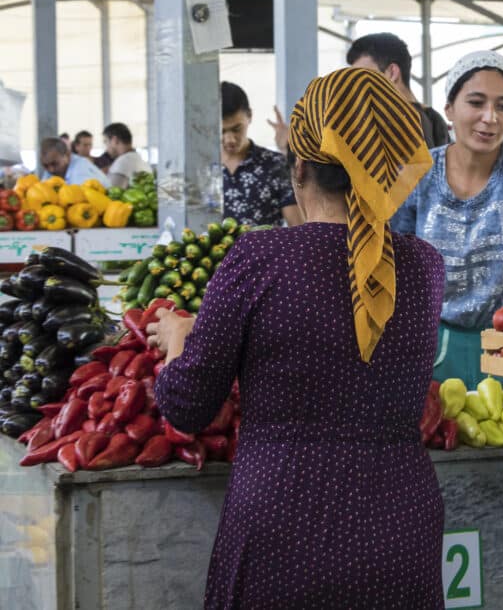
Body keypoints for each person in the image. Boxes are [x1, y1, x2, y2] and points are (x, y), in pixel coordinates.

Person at [149, 67, 445, 609]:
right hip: (402, 528)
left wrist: (179, 338)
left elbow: (187, 405)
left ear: (300, 164)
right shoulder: (425, 267)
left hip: (284, 525)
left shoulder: (258, 259)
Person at [392, 50, 503, 387]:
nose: (490, 117)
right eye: (476, 102)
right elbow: (399, 271)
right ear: (450, 110)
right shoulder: (417, 171)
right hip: (428, 343)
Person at [221, 82, 303, 228]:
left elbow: (298, 227)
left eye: (236, 129)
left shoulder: (275, 164)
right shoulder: (199, 169)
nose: (230, 139)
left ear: (250, 116)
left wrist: (289, 150)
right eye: (221, 131)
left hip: (266, 251)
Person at [347, 33, 450, 149]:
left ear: (392, 72)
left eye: (363, 76)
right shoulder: (435, 119)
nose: (357, 85)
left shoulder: (389, 120)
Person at [38, 137, 110, 187]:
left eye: (55, 164)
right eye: (45, 165)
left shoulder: (81, 169)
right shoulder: (51, 168)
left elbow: (79, 201)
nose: (51, 169)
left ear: (67, 155)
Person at [102, 123, 151, 189]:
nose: (106, 148)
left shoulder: (124, 161)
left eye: (106, 142)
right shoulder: (136, 158)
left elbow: (110, 195)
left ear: (114, 140)